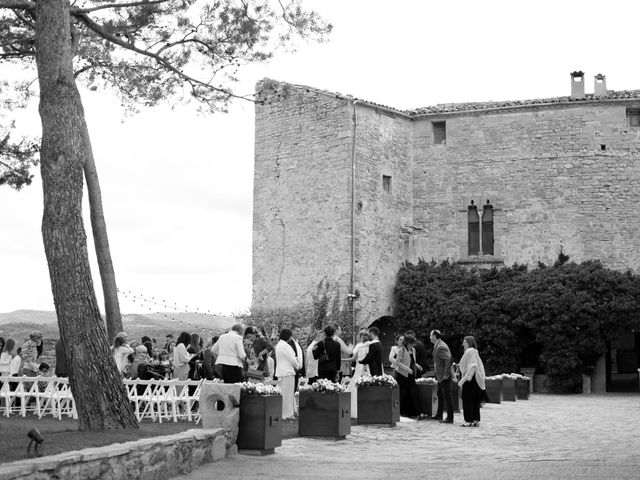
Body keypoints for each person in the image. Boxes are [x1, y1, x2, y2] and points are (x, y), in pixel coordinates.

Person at [458, 335, 486, 427]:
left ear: (469, 343)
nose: (463, 343)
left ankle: (468, 420)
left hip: (469, 378)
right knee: (475, 400)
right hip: (475, 379)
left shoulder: (469, 351)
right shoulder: (474, 351)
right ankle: (475, 419)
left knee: (467, 399)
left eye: (464, 342)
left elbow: (473, 365)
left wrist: (467, 377)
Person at [394, 335, 424, 418]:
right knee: (402, 394)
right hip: (402, 375)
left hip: (411, 375)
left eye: (413, 344)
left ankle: (419, 412)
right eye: (411, 343)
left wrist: (417, 366)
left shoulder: (413, 350)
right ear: (407, 343)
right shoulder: (401, 350)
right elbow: (397, 362)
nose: (412, 345)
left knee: (414, 393)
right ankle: (399, 412)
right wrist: (407, 369)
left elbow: (412, 361)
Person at [275, 328, 301, 420]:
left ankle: (283, 413)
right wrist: (298, 366)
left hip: (281, 372)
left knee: (283, 394)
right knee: (288, 395)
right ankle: (287, 414)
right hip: (287, 372)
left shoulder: (279, 345)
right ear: (288, 336)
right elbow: (292, 359)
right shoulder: (285, 346)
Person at [345, 331, 371, 418]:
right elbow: (353, 358)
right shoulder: (368, 347)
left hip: (360, 369)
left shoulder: (361, 346)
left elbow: (352, 357)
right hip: (362, 369)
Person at [430, 329, 454, 423]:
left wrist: (446, 374)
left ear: (435, 336)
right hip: (440, 376)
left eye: (431, 335)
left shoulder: (441, 346)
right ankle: (439, 415)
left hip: (444, 376)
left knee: (447, 396)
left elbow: (448, 359)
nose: (429, 337)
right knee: (440, 394)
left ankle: (450, 417)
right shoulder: (438, 345)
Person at [288, 325, 305, 390]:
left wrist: (303, 373)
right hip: (293, 371)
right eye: (297, 331)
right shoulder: (289, 343)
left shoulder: (298, 343)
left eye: (299, 331)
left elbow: (302, 358)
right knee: (292, 390)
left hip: (300, 372)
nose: (299, 333)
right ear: (292, 332)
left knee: (299, 390)